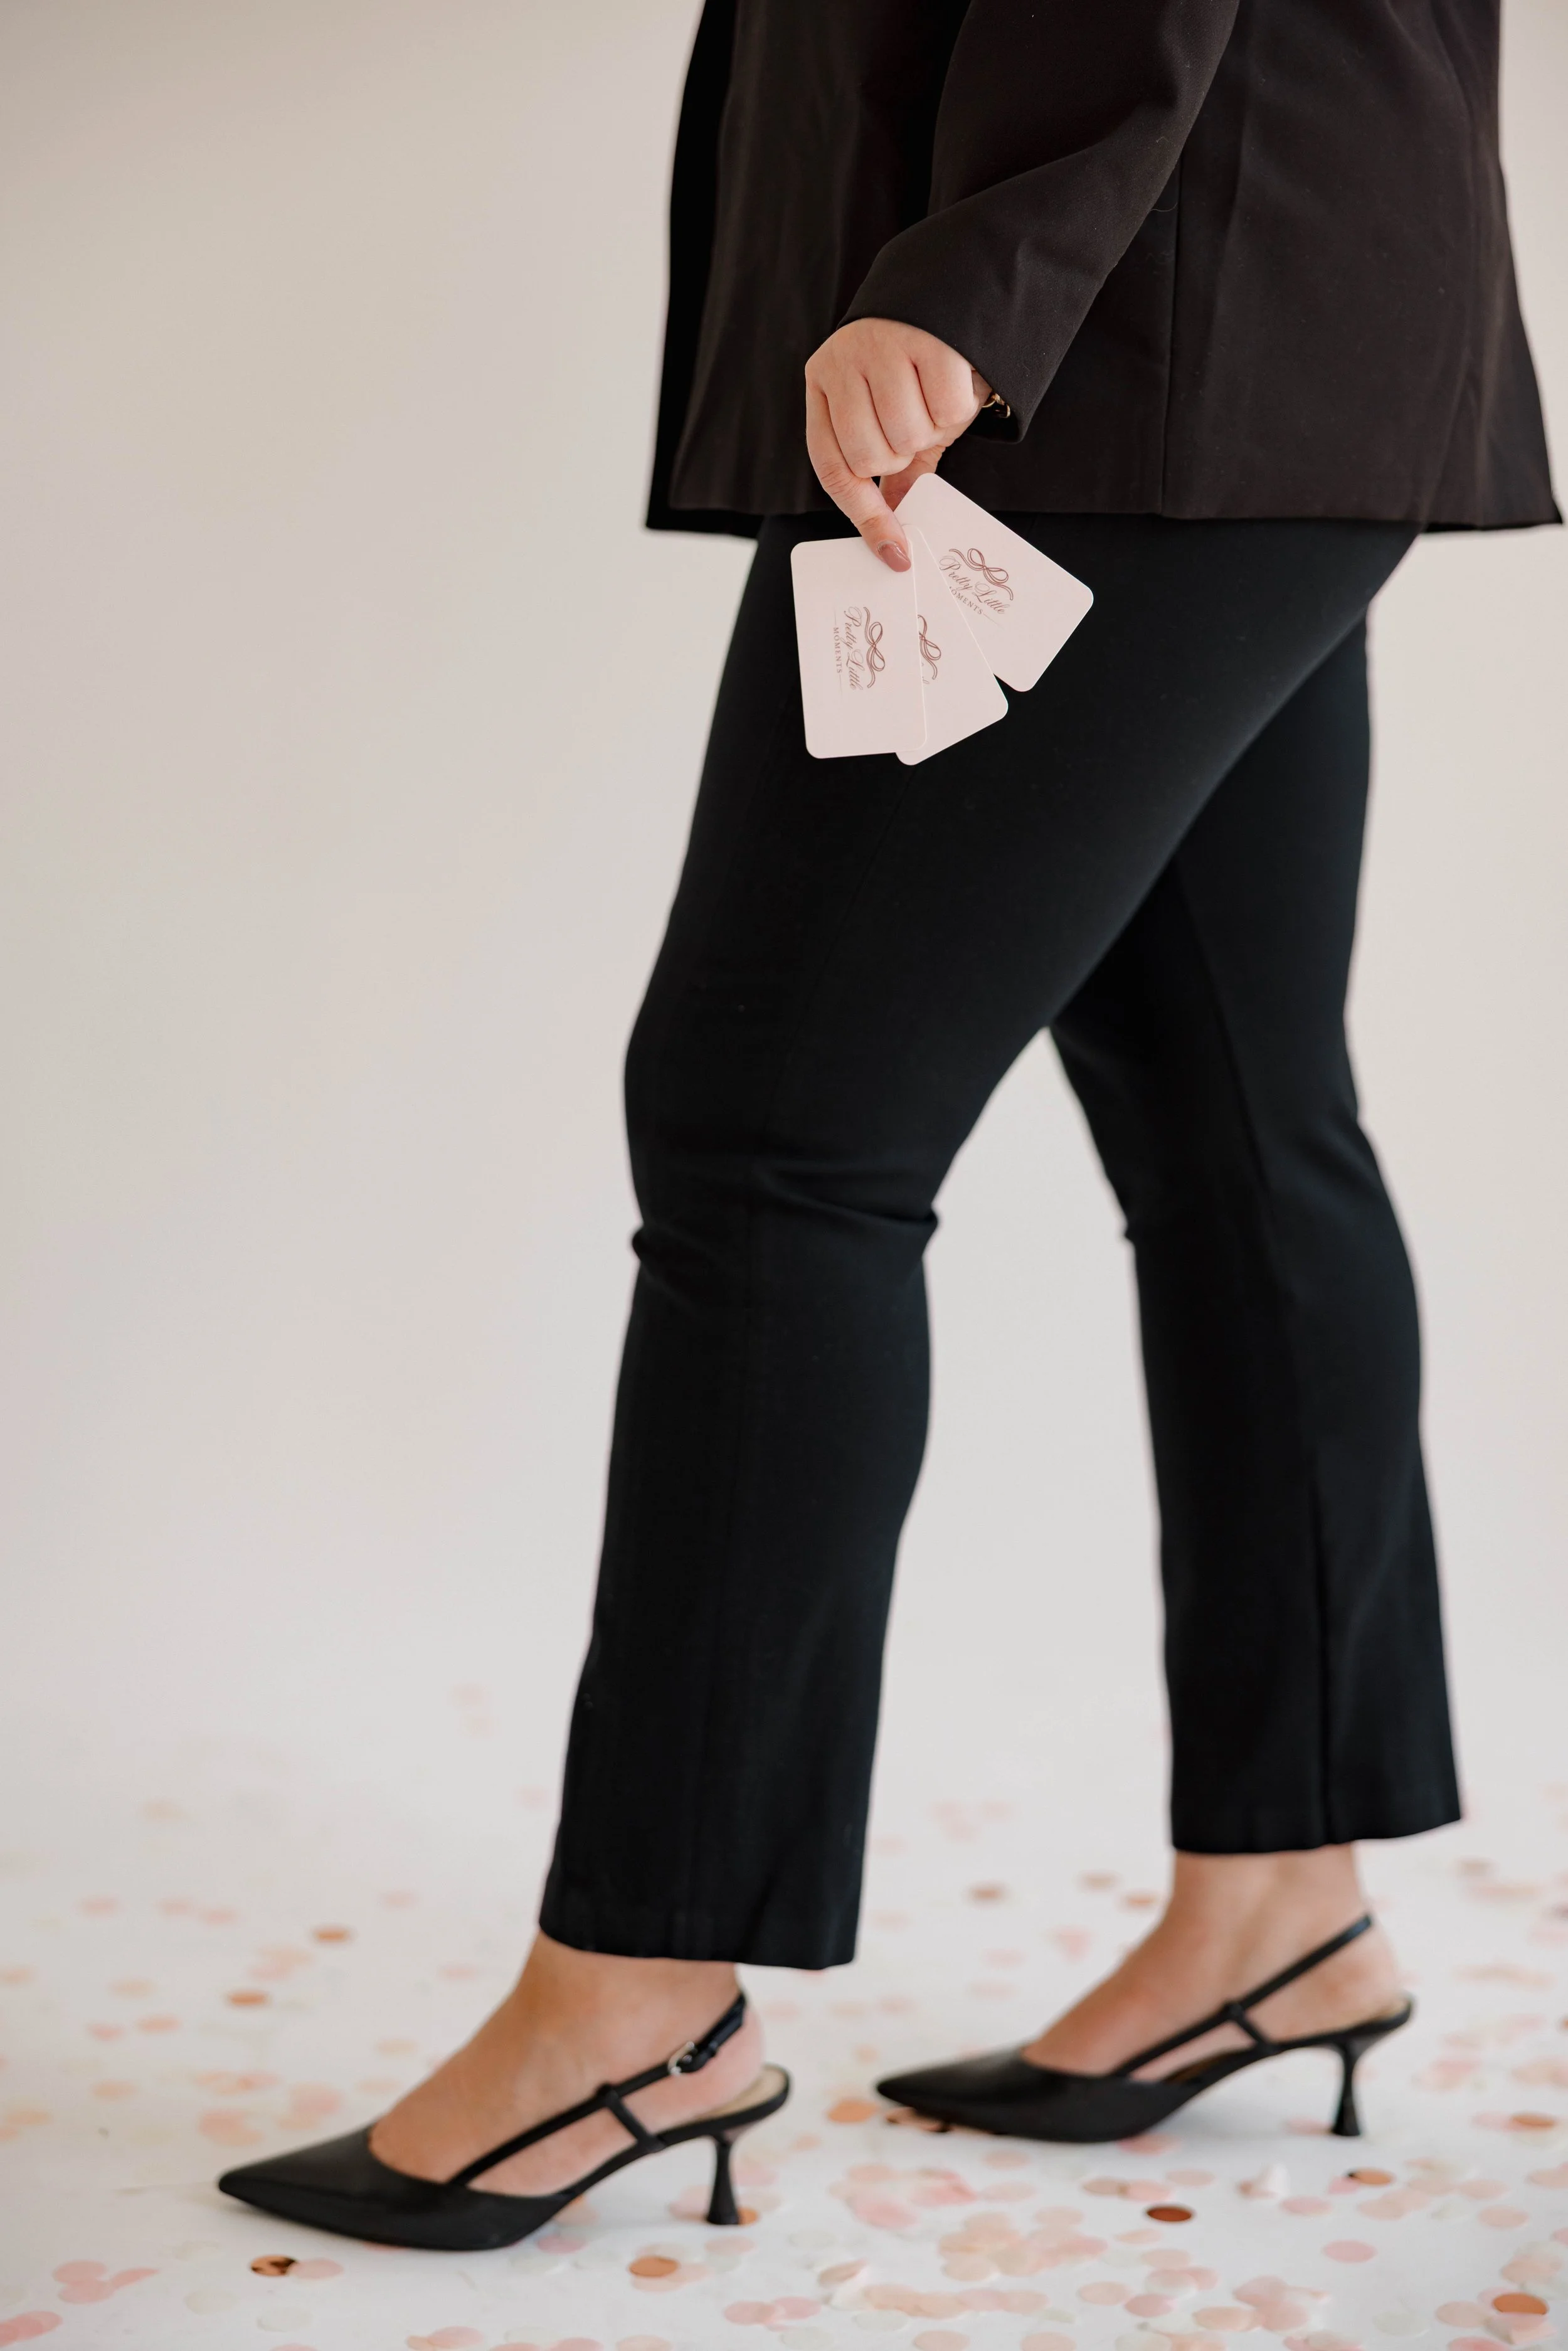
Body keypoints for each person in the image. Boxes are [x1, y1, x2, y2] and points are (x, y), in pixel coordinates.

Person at [220, 0, 1556, 2249]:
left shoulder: (1049, 290)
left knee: (775, 1146)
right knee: (1238, 1121)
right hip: (1273, 297)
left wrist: (979, 264)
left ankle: (640, 1988)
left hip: (1104, 328)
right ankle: (1282, 1898)